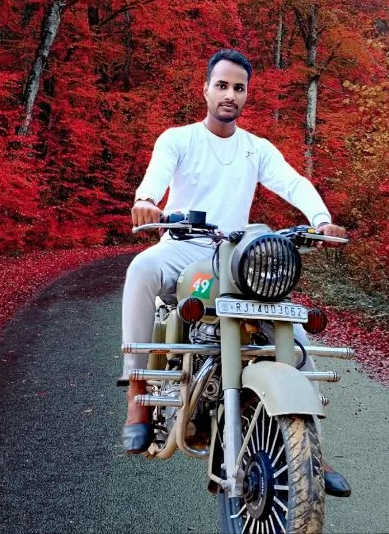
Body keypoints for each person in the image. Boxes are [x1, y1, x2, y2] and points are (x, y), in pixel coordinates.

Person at [121, 49, 351, 496]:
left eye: (238, 87)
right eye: (222, 85)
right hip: (182, 246)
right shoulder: (178, 139)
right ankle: (137, 396)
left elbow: (292, 182)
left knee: (293, 326)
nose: (230, 94)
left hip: (237, 256)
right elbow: (157, 175)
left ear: (247, 95)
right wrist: (147, 200)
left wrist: (320, 219)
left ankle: (309, 448)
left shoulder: (256, 148)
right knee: (141, 269)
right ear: (205, 89)